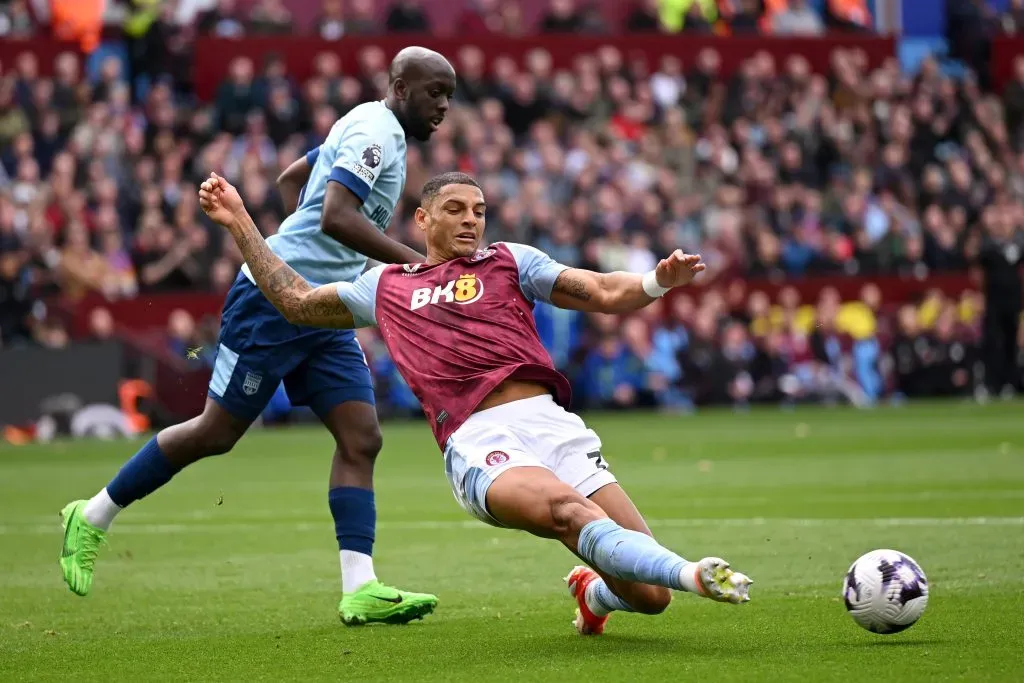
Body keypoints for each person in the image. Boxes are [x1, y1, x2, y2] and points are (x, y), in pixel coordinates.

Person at [198, 170, 753, 636]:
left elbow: (603, 290)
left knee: (651, 597)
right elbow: (295, 302)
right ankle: (695, 572)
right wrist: (241, 222)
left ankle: (596, 596)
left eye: (480, 210)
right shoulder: (388, 285)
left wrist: (657, 281)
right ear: (423, 219)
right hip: (480, 439)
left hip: (553, 427)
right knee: (569, 514)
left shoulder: (510, 262)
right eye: (456, 208)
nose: (471, 219)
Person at [59, 47, 457, 627]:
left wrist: (321, 257)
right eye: (433, 93)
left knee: (361, 436)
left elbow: (295, 177)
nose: (443, 106)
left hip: (322, 307)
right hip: (271, 303)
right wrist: (413, 267)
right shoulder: (375, 132)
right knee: (216, 433)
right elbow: (336, 217)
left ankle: (360, 586)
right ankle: (91, 515)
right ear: (400, 87)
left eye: (449, 95)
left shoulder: (368, 124)